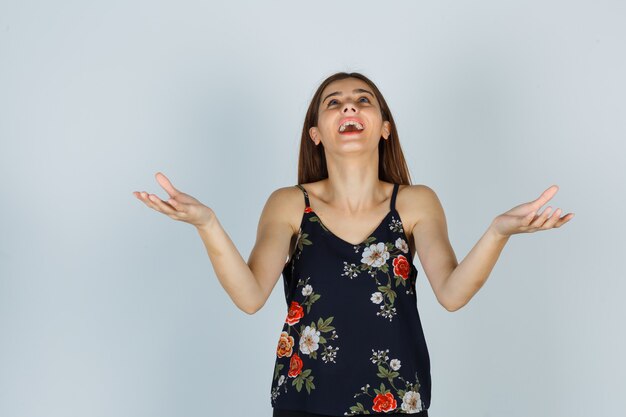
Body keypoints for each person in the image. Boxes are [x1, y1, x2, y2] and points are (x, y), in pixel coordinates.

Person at [133, 72, 575, 416]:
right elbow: (250, 296)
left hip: (398, 401)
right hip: (303, 403)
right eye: (334, 102)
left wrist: (498, 231)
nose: (350, 106)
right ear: (316, 134)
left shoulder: (416, 202)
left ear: (383, 127)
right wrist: (207, 224)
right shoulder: (290, 203)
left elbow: (453, 292)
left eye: (363, 100)